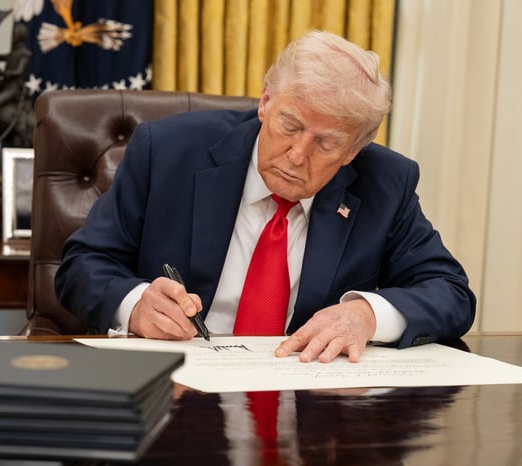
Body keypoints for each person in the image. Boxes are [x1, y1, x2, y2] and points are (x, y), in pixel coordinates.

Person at [55, 30, 476, 363]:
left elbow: (450, 292)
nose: (297, 155)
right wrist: (134, 304)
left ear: (352, 151)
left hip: (309, 403)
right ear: (265, 101)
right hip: (176, 390)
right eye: (289, 125)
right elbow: (82, 266)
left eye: (326, 144)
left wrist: (366, 315)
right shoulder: (167, 152)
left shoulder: (385, 182)